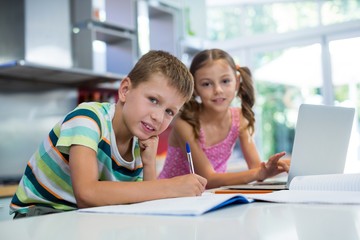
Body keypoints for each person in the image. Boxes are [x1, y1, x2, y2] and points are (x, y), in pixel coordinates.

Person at [10, 50, 207, 219]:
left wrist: (148, 164)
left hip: (79, 217)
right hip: (40, 214)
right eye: (153, 100)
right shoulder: (88, 118)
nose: (158, 117)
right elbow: (87, 194)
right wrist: (171, 187)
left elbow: (145, 203)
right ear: (125, 90)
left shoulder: (141, 142)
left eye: (169, 112)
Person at [158, 49, 289, 189]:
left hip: (207, 197)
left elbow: (256, 167)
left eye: (225, 81)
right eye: (207, 84)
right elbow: (208, 178)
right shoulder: (185, 124)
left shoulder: (239, 118)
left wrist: (280, 165)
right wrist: (259, 173)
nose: (218, 90)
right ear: (194, 88)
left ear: (237, 82)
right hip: (168, 196)